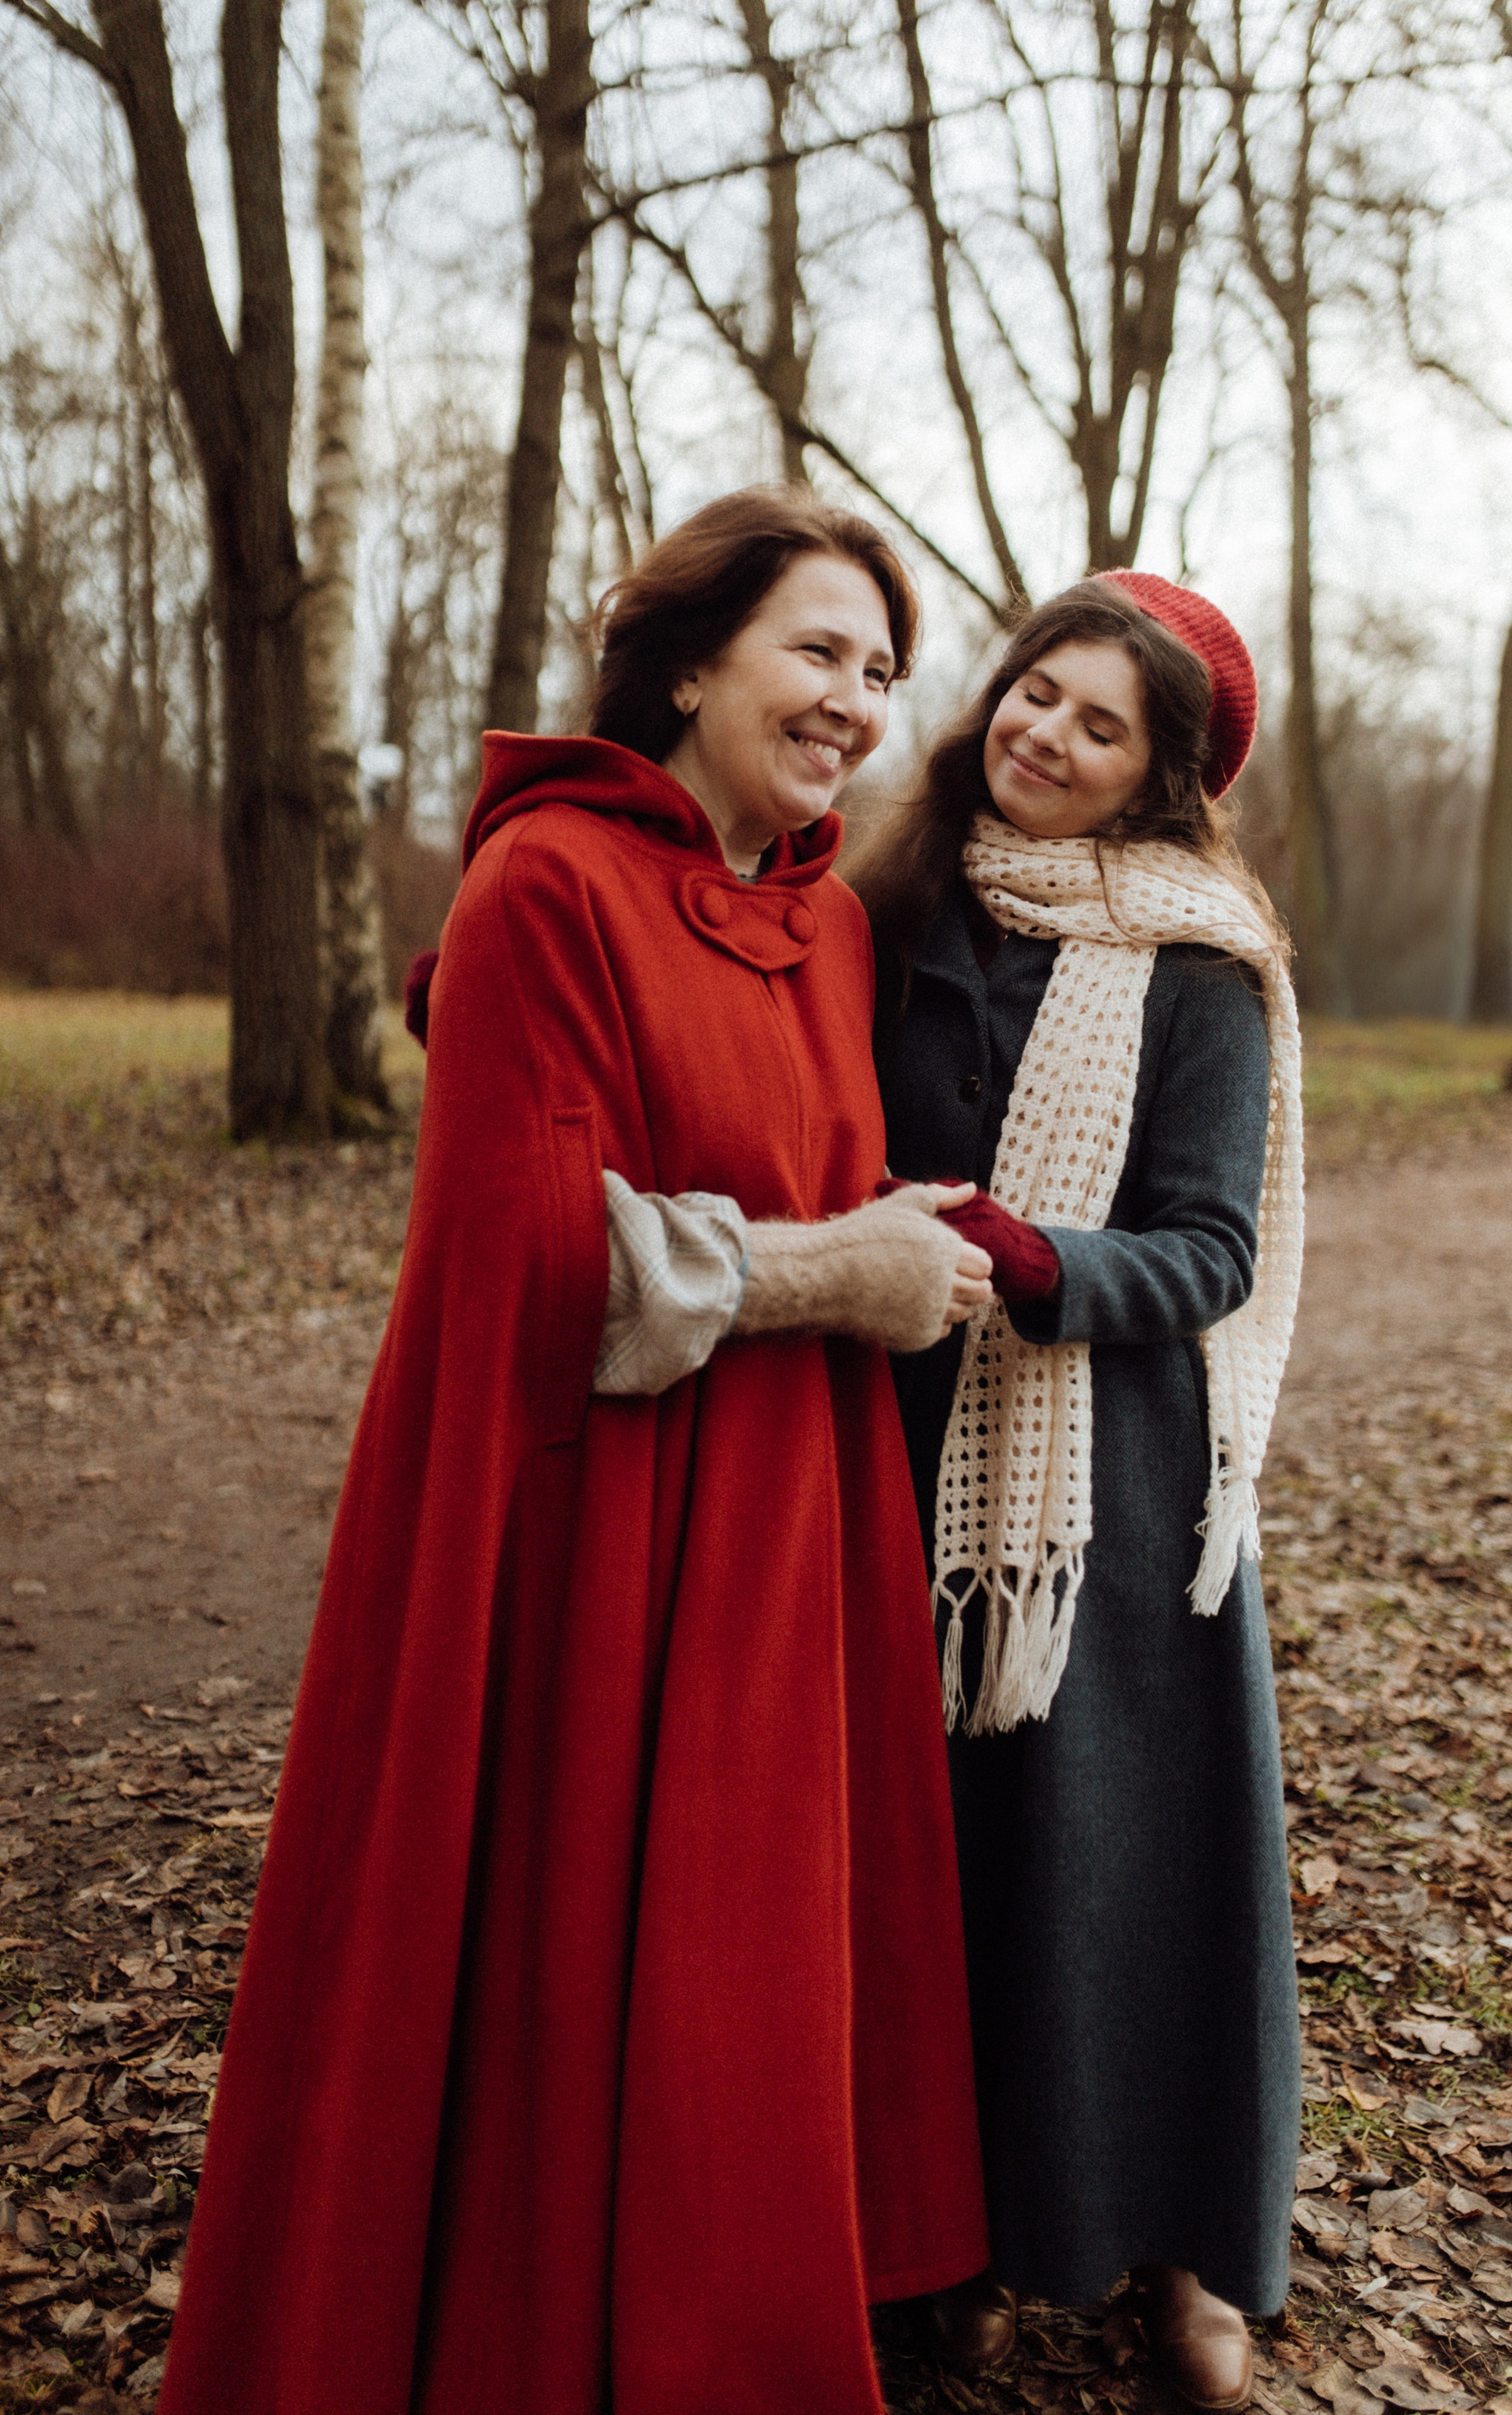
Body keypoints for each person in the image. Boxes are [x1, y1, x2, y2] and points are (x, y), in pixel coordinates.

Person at [158, 488, 994, 2415]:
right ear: (690, 661)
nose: (855, 702)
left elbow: (817, 1189)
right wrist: (838, 1268)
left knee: (741, 1981)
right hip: (594, 1528)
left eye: (881, 671)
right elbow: (532, 1265)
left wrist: (897, 1239)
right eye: (816, 651)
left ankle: (734, 2305)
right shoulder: (543, 887)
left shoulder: (831, 925)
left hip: (790, 1521)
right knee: (586, 1964)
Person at [852, 572, 1305, 2414]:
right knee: (941, 1871)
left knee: (1134, 1878)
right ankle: (960, 2239)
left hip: (1107, 1502)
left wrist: (1039, 1265)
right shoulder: (880, 900)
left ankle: (1193, 2247)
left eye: (1100, 726)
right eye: (1038, 693)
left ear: (1157, 780)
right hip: (882, 1443)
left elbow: (1209, 1248)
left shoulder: (1202, 965)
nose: (1045, 735)